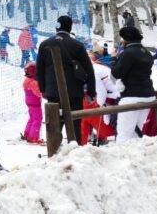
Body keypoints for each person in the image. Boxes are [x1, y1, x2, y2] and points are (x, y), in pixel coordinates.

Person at [36, 16, 96, 144]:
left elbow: (39, 70)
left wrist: (43, 89)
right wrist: (91, 91)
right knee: (75, 124)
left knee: (54, 124)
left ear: (56, 27)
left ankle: (54, 151)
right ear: (70, 27)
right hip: (74, 92)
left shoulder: (45, 44)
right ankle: (75, 151)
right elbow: (89, 69)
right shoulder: (77, 45)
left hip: (52, 92)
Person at [110, 26, 154, 143]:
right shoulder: (146, 52)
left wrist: (114, 59)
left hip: (131, 96)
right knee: (137, 130)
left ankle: (123, 158)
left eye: (123, 39)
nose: (122, 41)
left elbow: (117, 73)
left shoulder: (128, 53)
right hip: (148, 95)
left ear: (127, 39)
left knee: (124, 133)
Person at [80, 48, 119, 145]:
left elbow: (101, 92)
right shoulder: (98, 67)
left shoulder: (93, 71)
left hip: (113, 96)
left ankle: (84, 140)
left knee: (87, 113)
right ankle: (91, 137)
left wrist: (100, 106)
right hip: (114, 95)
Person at [22, 63, 43, 144]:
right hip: (35, 103)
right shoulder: (33, 82)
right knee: (38, 119)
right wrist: (44, 93)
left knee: (32, 118)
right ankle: (33, 137)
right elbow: (38, 93)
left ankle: (27, 133)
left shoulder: (26, 80)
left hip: (29, 102)